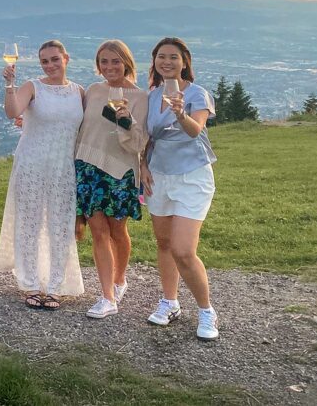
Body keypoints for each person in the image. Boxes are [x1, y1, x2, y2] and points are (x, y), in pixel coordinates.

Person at [0, 40, 85, 309]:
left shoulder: (79, 92)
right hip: (32, 163)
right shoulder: (32, 87)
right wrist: (10, 85)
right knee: (30, 223)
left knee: (61, 225)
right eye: (44, 61)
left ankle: (56, 285)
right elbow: (13, 111)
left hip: (63, 166)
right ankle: (31, 284)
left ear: (66, 58)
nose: (50, 65)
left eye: (54, 59)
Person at [141, 37, 220, 340]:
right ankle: (170, 302)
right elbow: (147, 137)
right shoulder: (152, 96)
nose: (167, 62)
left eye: (173, 57)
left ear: (185, 61)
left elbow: (194, 130)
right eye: (162, 57)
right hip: (159, 175)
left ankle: (206, 311)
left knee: (183, 250)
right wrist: (143, 165)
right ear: (155, 61)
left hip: (191, 177)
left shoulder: (197, 94)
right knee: (163, 243)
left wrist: (179, 112)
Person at [73, 40, 149, 319]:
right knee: (98, 231)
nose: (109, 67)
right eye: (104, 62)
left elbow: (138, 144)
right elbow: (79, 127)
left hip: (121, 171)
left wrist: (126, 121)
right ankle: (106, 297)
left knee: (118, 231)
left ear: (126, 62)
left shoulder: (141, 97)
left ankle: (119, 280)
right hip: (88, 167)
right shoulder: (93, 91)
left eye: (115, 61)